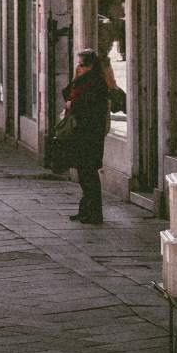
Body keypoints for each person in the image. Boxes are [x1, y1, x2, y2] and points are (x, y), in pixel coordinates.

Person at [62, 50, 112, 225]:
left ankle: (94, 213)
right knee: (84, 172)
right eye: (77, 64)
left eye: (82, 65)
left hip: (90, 134)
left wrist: (72, 104)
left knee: (89, 172)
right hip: (82, 133)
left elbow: (87, 107)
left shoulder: (96, 83)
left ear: (91, 66)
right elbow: (68, 93)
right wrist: (76, 78)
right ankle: (85, 209)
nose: (78, 67)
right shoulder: (83, 81)